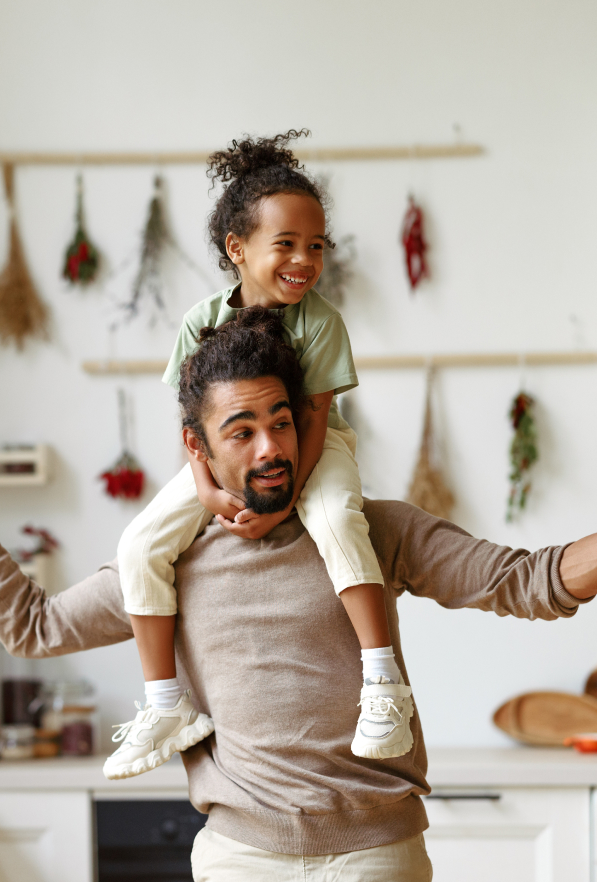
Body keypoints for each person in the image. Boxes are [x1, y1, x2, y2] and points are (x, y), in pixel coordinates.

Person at [0, 313, 597, 882]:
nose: (271, 445)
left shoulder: (371, 528)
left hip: (378, 865)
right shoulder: (169, 560)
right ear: (196, 448)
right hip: (243, 868)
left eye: (282, 420)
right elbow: (35, 624)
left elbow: (533, 581)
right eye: (242, 430)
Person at [110, 129, 405, 779]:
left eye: (317, 247)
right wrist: (210, 489)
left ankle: (383, 683)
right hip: (226, 457)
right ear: (237, 249)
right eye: (287, 245)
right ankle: (165, 702)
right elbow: (193, 422)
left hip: (313, 444)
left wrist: (278, 509)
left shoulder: (320, 322)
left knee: (334, 521)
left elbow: (312, 416)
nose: (305, 260)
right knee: (139, 545)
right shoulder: (200, 322)